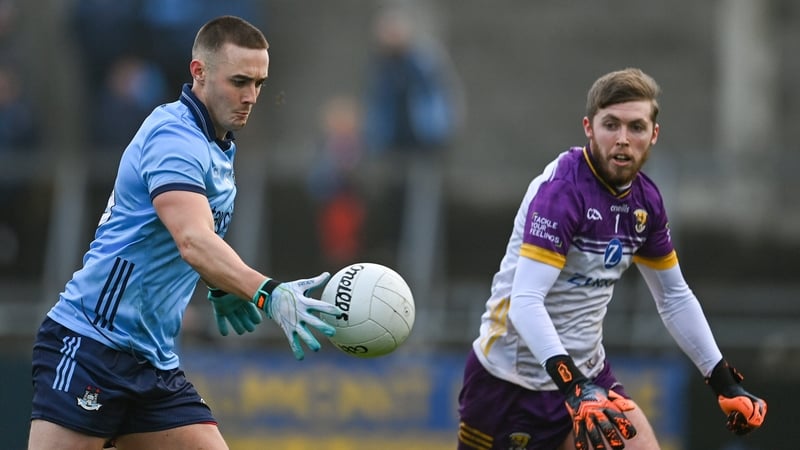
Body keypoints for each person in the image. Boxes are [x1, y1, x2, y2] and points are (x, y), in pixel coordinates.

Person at [28, 15, 342, 450]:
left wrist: (220, 284)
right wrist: (267, 292)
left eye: (259, 84)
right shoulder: (174, 136)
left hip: (152, 361)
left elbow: (185, 239)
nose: (251, 96)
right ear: (199, 72)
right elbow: (192, 240)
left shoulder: (216, 142)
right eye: (239, 81)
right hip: (91, 346)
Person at [456, 68, 767, 450]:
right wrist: (574, 387)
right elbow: (525, 302)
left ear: (653, 134)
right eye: (611, 125)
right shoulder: (562, 193)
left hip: (588, 379)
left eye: (636, 127)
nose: (622, 139)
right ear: (589, 127)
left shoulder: (646, 202)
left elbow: (673, 297)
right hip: (511, 385)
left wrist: (723, 381)